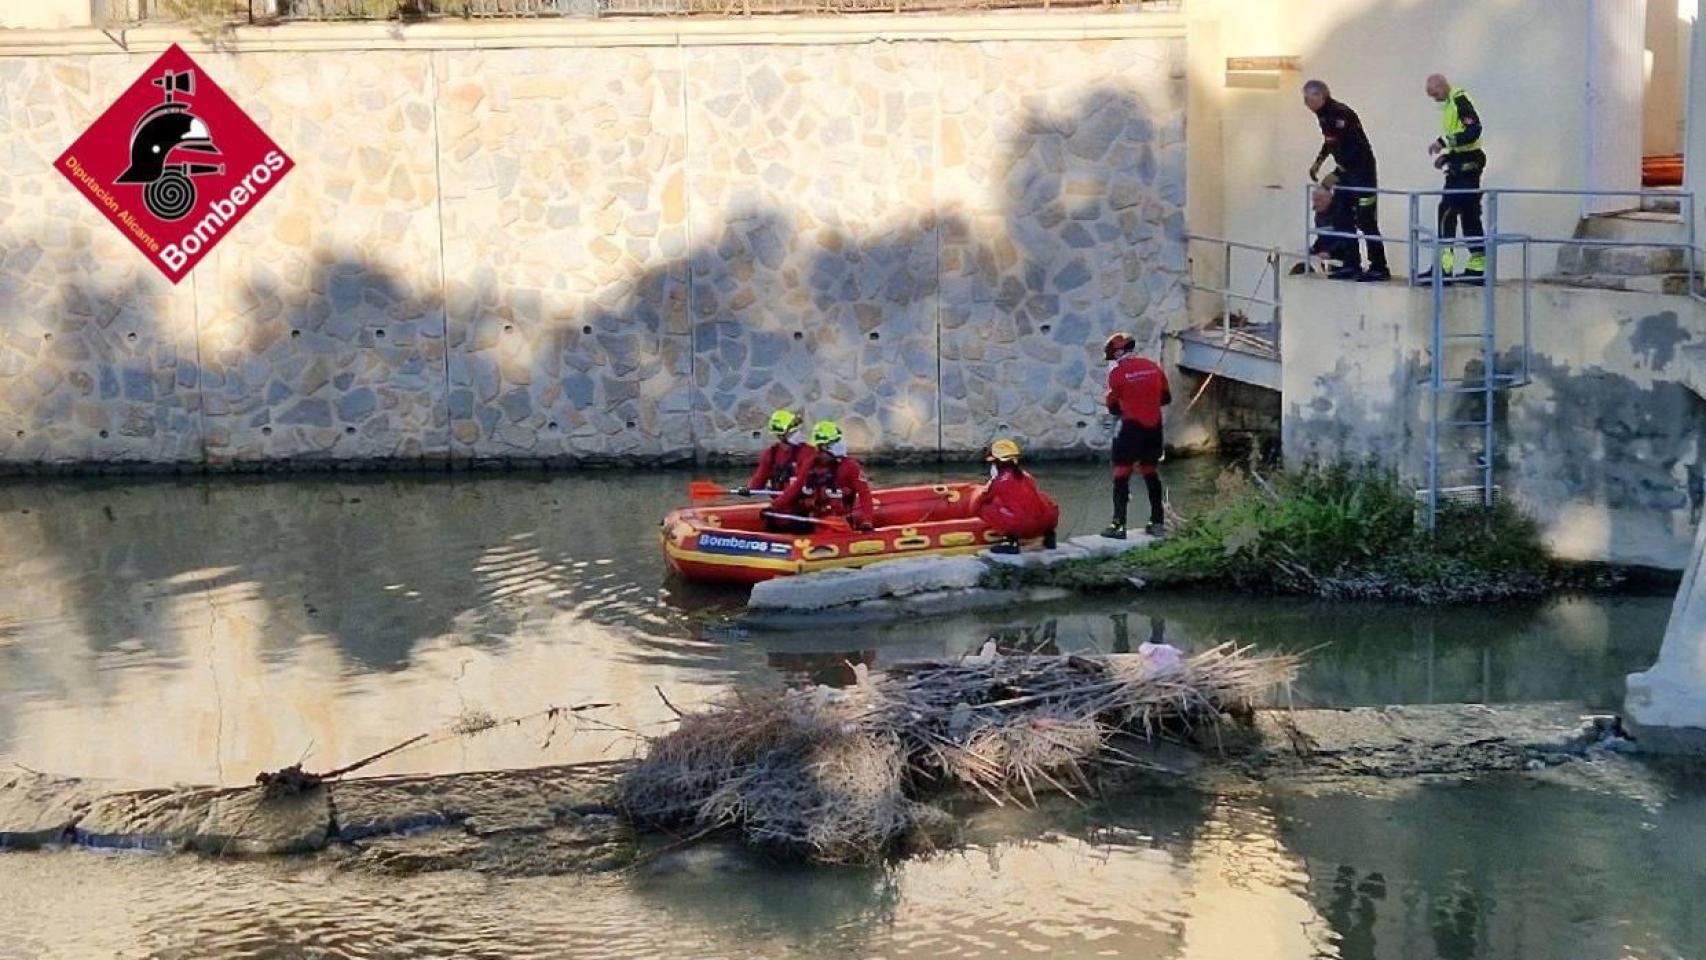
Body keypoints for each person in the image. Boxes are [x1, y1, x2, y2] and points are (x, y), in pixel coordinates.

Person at [1303, 79, 1390, 282]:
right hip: (1346, 173)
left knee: (1366, 220)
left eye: (1309, 98)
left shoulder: (1339, 113)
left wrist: (1337, 172)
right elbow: (1330, 142)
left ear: (1321, 96)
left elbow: (1355, 149)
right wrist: (1318, 162)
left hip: (1362, 173)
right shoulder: (1323, 115)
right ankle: (1352, 264)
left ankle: (1379, 266)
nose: (1306, 103)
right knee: (1342, 218)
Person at [1101, 332, 1170, 539]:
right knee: (1150, 471)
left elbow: (1112, 406)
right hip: (1153, 428)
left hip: (1130, 428)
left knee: (1121, 473)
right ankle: (1157, 522)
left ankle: (1118, 525)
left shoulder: (1116, 375)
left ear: (1119, 352)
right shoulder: (1153, 367)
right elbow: (1166, 397)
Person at [1423, 73, 1487, 285]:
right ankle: (1477, 268)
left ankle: (1443, 267)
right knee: (1469, 215)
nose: (1435, 99)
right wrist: (1448, 156)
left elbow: (1473, 131)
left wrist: (1444, 141)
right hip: (1463, 162)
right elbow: (1465, 140)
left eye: (1435, 94)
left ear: (1442, 85)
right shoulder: (1451, 103)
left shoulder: (1459, 100)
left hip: (1467, 166)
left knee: (1447, 211)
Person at [771, 420, 876, 532]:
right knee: (780, 520)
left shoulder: (850, 467)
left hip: (836, 521)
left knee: (826, 527)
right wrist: (774, 506)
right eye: (833, 443)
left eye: (838, 441)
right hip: (813, 517)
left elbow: (864, 495)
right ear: (821, 448)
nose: (839, 446)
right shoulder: (810, 464)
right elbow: (795, 488)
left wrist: (867, 521)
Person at [970, 438, 1060, 554]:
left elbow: (978, 503)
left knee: (985, 508)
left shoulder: (998, 482)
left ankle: (1010, 542)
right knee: (1041, 497)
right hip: (1047, 522)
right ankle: (1049, 537)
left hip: (1024, 526)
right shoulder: (1026, 476)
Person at [740, 409, 811, 494]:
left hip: (804, 501)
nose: (797, 433)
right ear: (780, 435)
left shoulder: (808, 452)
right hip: (781, 502)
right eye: (793, 431)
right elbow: (759, 480)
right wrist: (748, 489)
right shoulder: (771, 454)